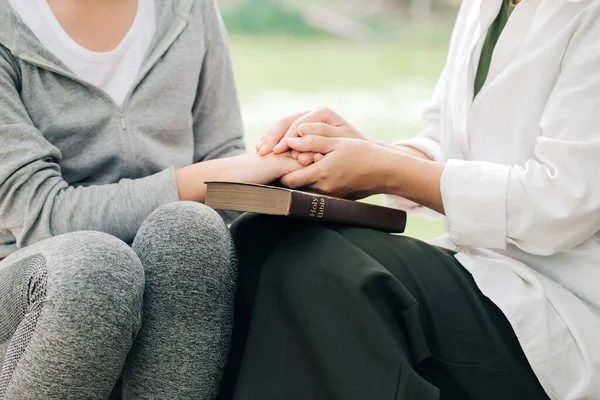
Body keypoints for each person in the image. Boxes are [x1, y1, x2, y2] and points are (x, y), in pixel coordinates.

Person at [219, 0, 600, 399]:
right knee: (260, 239)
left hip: (562, 308)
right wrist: (356, 153)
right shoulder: (484, 6)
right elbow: (445, 140)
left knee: (326, 270)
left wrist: (385, 168)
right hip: (479, 271)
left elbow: (562, 203)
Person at [0, 0, 301, 398]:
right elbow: (39, 215)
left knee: (191, 232)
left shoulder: (188, 9)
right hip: (28, 282)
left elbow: (224, 161)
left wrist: (294, 164)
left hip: (164, 274)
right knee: (96, 266)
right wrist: (204, 178)